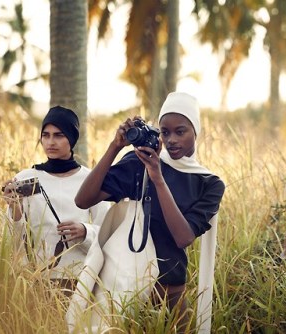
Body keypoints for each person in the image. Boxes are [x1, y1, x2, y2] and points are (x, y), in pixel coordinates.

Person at [74, 91, 226, 332]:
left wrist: (158, 180)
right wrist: (115, 147)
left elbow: (183, 237)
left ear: (195, 131)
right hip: (127, 292)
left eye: (181, 131)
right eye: (165, 132)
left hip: (171, 294)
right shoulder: (140, 163)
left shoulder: (209, 183)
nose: (172, 139)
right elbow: (83, 200)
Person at [1, 106, 110, 292]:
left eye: (59, 135)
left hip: (79, 281)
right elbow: (10, 243)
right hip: (33, 282)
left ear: (72, 138)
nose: (51, 142)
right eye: (46, 135)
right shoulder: (25, 179)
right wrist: (15, 210)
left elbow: (109, 233)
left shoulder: (91, 180)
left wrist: (85, 231)